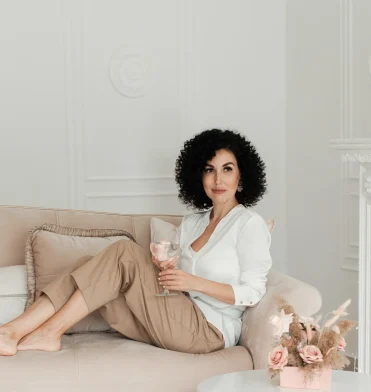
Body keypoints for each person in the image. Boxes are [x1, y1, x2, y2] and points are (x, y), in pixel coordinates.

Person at [0, 128, 272, 357]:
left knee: (124, 253)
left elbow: (253, 292)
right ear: (198, 177)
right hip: (174, 312)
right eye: (209, 170)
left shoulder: (249, 224)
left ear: (241, 176)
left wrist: (193, 283)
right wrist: (162, 269)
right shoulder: (192, 223)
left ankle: (45, 331)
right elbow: (174, 278)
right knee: (87, 266)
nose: (218, 179)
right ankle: (11, 331)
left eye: (227, 169)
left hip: (208, 329)